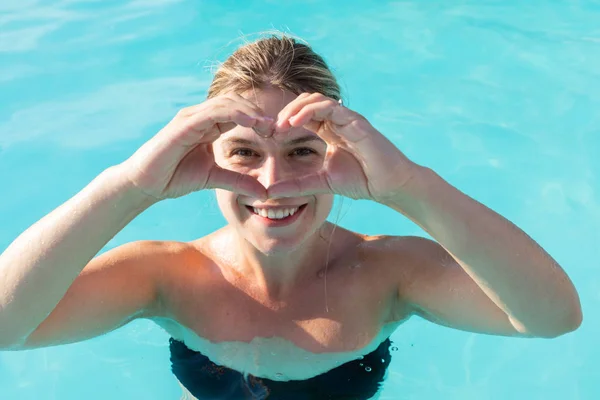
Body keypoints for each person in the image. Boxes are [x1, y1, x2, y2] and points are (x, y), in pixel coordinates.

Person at [0, 34, 582, 400]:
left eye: (302, 151)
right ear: (206, 158)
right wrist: (130, 186)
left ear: (339, 156)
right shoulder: (165, 278)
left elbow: (551, 318)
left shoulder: (389, 274)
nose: (273, 184)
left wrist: (407, 186)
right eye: (244, 153)